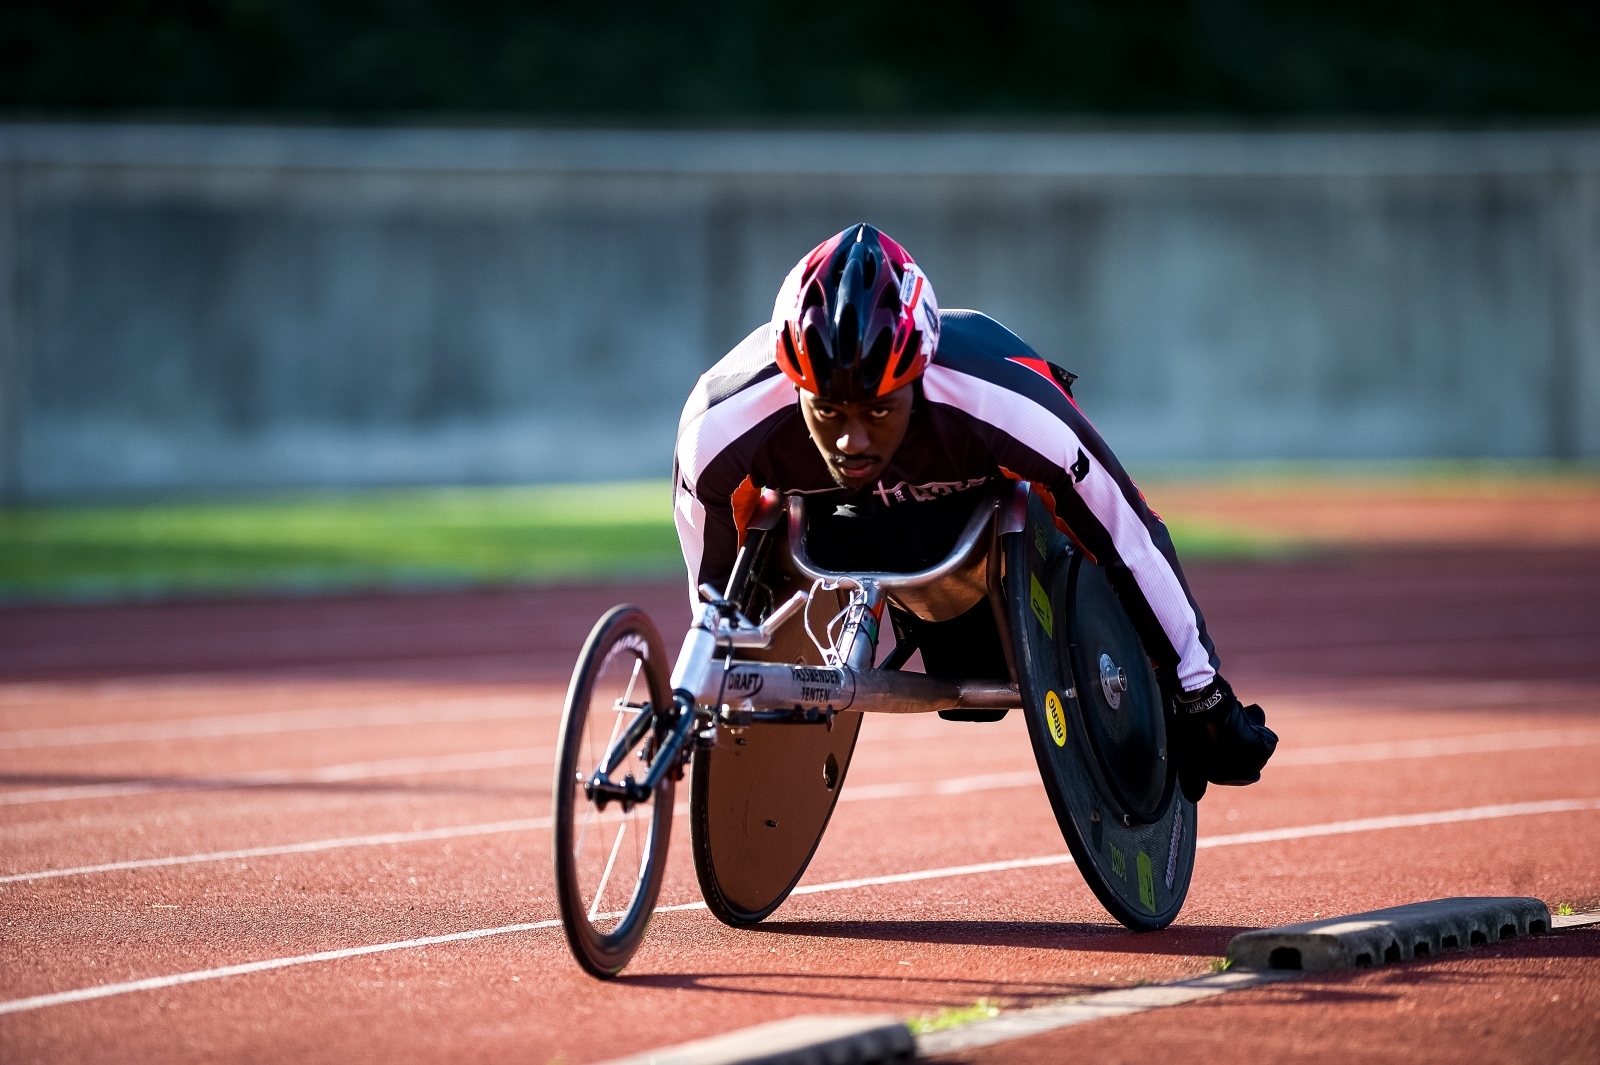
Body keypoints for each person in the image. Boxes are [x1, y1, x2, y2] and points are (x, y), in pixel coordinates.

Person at [673, 223, 1276, 800]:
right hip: (837, 522)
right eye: (828, 413)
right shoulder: (722, 427)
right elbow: (716, 596)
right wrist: (715, 670)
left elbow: (1126, 534)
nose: (851, 441)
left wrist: (1200, 694)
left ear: (921, 375)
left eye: (878, 411)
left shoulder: (1007, 404)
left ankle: (955, 622)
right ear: (793, 384)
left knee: (978, 661)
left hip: (975, 527)